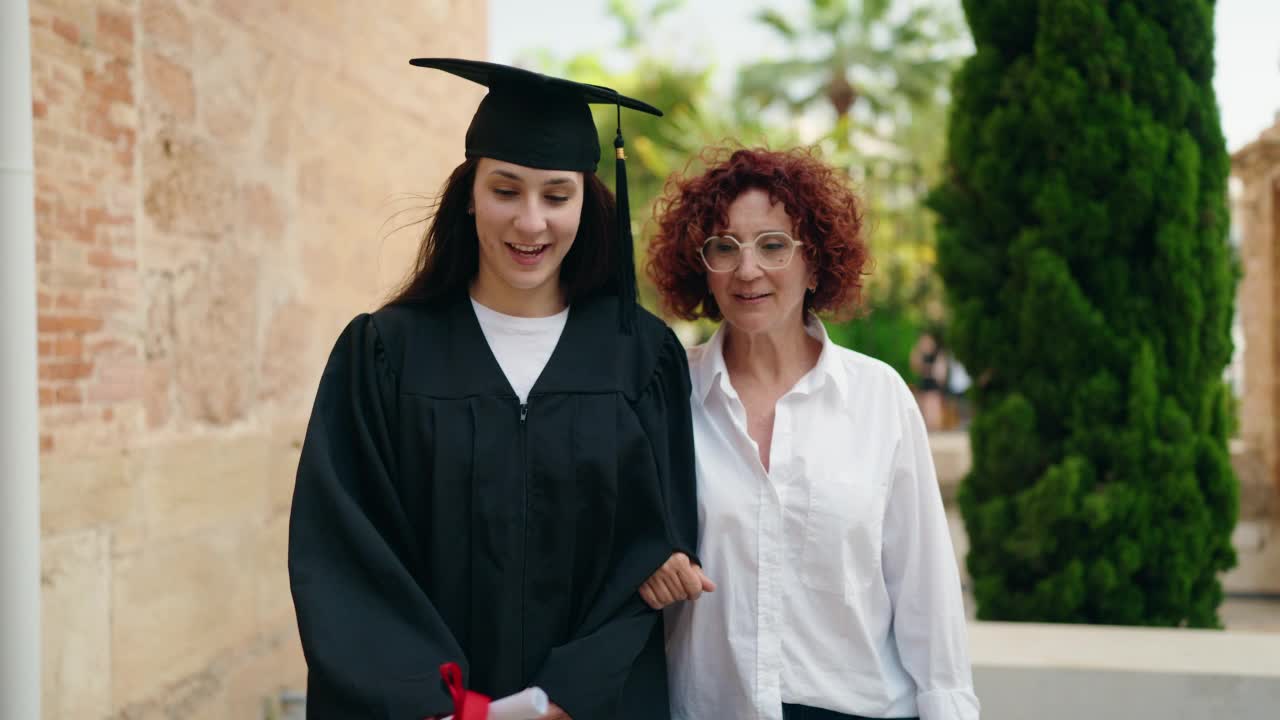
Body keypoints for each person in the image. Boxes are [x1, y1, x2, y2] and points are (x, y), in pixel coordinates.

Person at [287, 59, 701, 720]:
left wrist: (566, 697)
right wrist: (438, 701)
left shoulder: (641, 359)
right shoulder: (385, 354)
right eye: (505, 190)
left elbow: (655, 553)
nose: (530, 222)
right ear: (469, 194)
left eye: (556, 195)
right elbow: (343, 547)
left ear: (586, 202)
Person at [647, 147, 979, 720]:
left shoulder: (879, 399)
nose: (747, 269)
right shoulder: (667, 398)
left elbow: (925, 592)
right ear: (701, 266)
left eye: (773, 244)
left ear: (816, 261)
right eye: (724, 247)